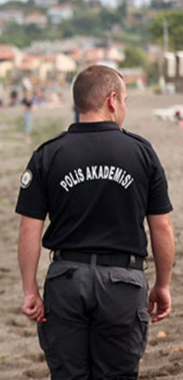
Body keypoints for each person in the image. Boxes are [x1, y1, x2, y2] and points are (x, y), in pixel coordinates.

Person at [16, 65, 174, 379]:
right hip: (122, 282)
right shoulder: (141, 153)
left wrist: (30, 289)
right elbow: (162, 227)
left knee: (68, 374)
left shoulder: (49, 154)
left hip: (66, 280)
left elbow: (28, 229)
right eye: (125, 100)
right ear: (112, 100)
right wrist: (163, 284)